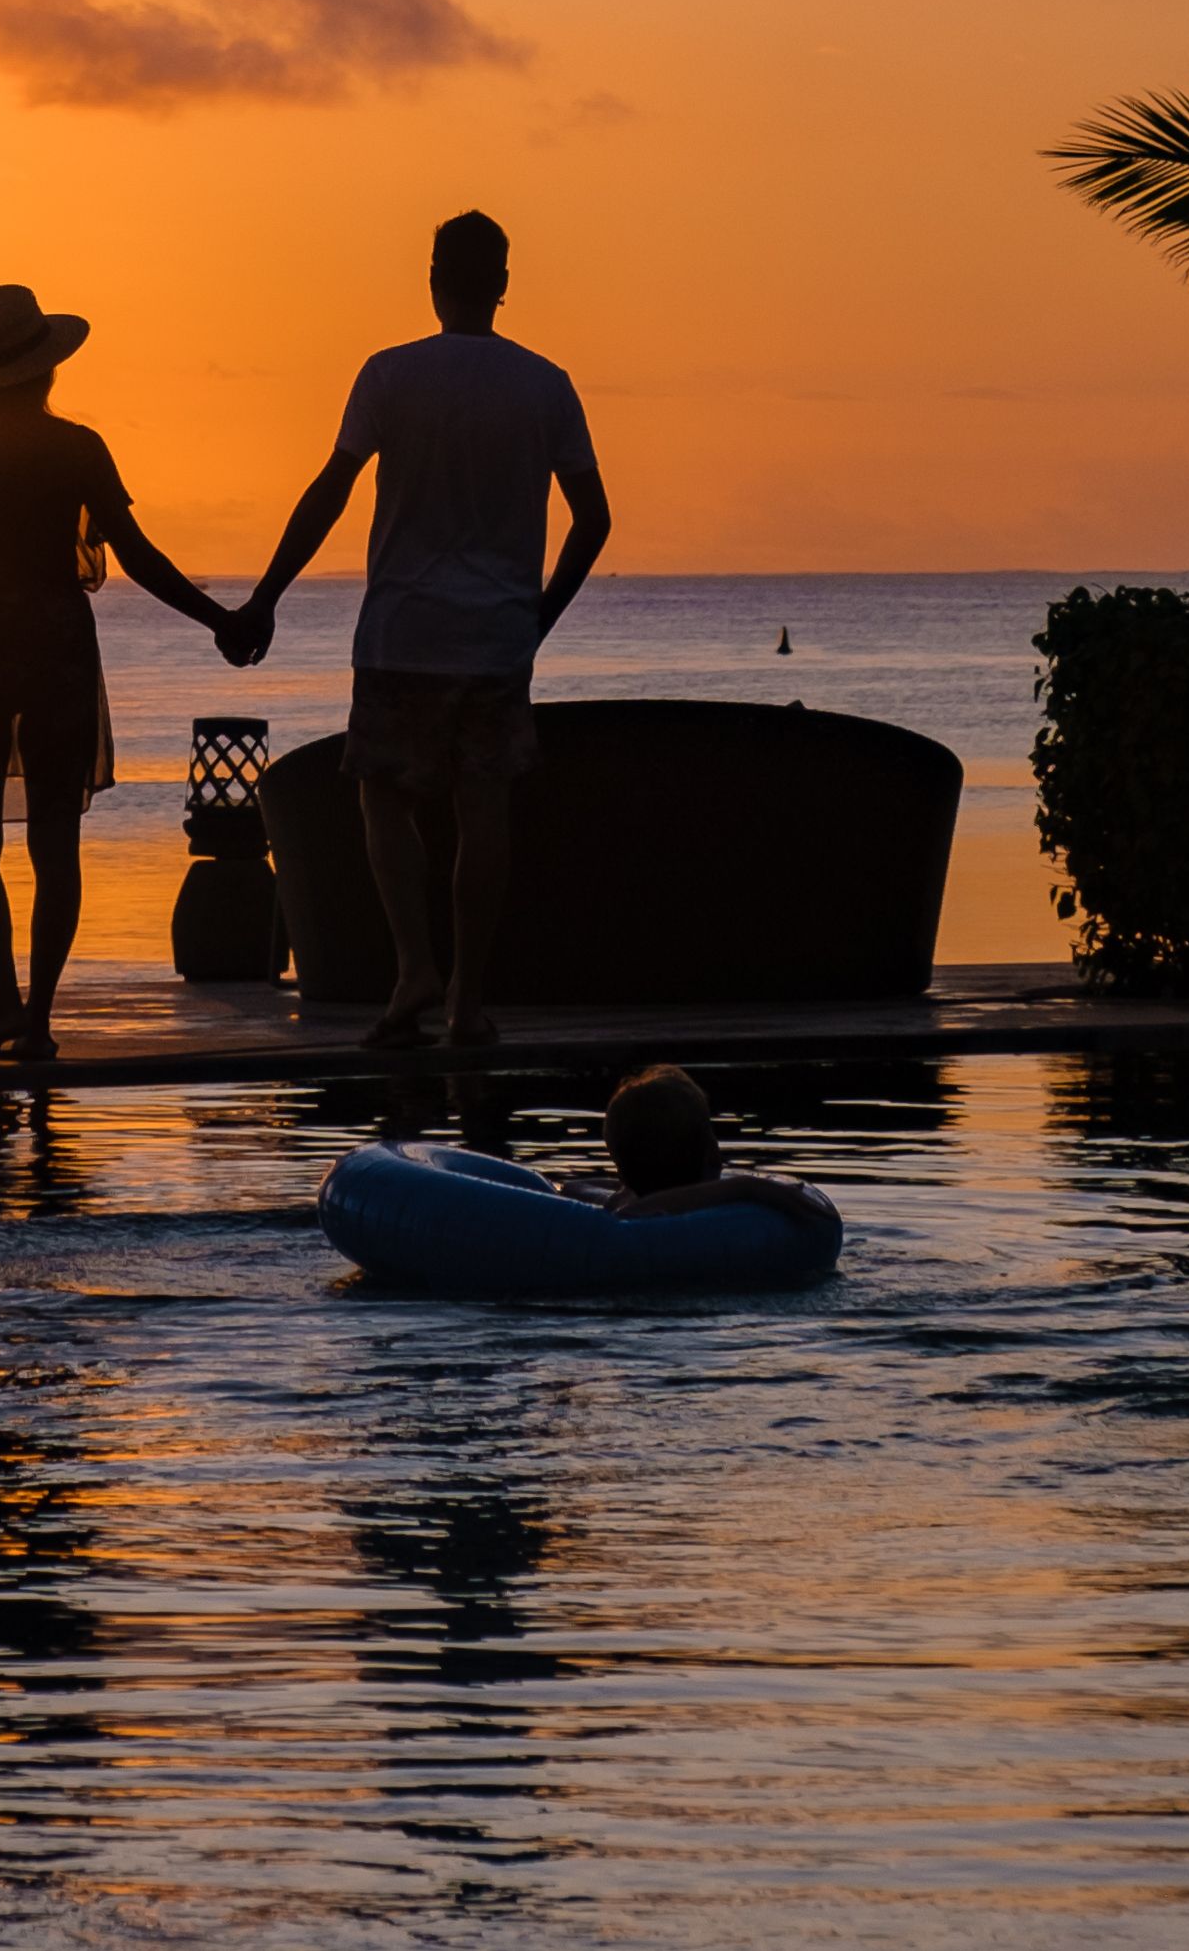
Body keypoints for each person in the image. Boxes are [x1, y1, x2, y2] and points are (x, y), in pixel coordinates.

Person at [237, 207, 610, 1046]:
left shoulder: (389, 375)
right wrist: (537, 617)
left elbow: (330, 491)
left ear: (433, 279)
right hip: (496, 639)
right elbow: (593, 519)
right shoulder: (544, 384)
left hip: (401, 631)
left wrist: (265, 596)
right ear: (502, 283)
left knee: (382, 797)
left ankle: (413, 968)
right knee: (484, 811)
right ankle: (465, 999)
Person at [0, 279, 250, 1072]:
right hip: (55, 653)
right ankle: (38, 1016)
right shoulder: (74, 447)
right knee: (56, 842)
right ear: (43, 365)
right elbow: (138, 554)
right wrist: (218, 618)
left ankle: (4, 1004)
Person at [588, 1062, 840, 1253]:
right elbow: (821, 1217)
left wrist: (624, 1192)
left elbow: (577, 1188)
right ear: (712, 1154)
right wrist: (746, 1187)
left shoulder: (621, 1215)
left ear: (621, 1169)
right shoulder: (744, 1205)